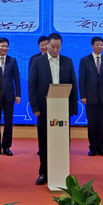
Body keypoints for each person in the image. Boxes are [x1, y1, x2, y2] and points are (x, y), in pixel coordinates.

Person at [28, 33, 78, 185]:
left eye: (58, 47)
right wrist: (35, 107)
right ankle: (44, 172)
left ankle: (63, 171)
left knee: (63, 141)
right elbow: (32, 86)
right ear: (47, 45)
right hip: (44, 109)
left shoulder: (68, 61)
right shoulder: (37, 62)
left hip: (62, 108)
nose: (55, 49)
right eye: (52, 46)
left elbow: (73, 85)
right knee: (44, 141)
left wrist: (73, 108)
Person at [79, 36, 103, 156]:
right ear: (92, 46)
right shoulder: (85, 60)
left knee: (102, 124)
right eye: (97, 44)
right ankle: (93, 147)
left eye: (101, 45)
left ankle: (102, 147)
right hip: (90, 97)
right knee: (92, 124)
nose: (99, 47)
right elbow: (81, 79)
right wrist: (83, 95)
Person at [0, 37, 20, 156]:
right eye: (2, 46)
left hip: (9, 95)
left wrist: (18, 94)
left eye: (6, 46)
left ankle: (6, 146)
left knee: (8, 122)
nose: (4, 48)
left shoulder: (12, 61)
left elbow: (16, 78)